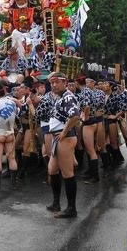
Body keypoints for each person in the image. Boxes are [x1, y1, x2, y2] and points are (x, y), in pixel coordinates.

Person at [46, 73, 80, 218]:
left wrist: (65, 132)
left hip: (63, 138)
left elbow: (75, 116)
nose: (53, 85)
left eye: (56, 82)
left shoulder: (67, 96)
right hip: (58, 137)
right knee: (52, 170)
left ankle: (71, 208)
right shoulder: (61, 97)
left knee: (67, 173)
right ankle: (56, 203)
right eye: (52, 83)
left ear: (64, 83)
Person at [0, 82, 19, 191]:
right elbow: (16, 114)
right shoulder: (12, 103)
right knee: (12, 158)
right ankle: (14, 183)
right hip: (10, 133)